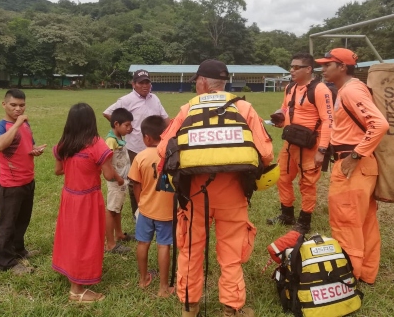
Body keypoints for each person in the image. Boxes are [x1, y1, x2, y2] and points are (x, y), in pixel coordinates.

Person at [158, 60, 274, 317]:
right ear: (224, 83)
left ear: (201, 82)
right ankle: (231, 309)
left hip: (194, 193)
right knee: (231, 253)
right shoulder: (244, 107)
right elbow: (266, 153)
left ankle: (190, 307)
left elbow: (162, 149)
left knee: (190, 249)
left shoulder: (188, 108)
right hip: (233, 192)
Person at [315, 48, 389, 285]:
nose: (323, 68)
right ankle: (366, 272)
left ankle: (347, 278)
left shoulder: (352, 91)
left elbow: (379, 124)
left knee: (346, 222)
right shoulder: (346, 89)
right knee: (364, 221)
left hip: (353, 165)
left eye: (328, 64)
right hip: (361, 166)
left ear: (342, 67)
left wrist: (355, 156)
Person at [52, 103, 123, 303]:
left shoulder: (64, 143)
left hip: (69, 197)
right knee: (85, 240)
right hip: (88, 199)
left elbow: (58, 170)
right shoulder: (97, 144)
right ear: (91, 121)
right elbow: (108, 174)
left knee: (71, 237)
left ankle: (70, 272)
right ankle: (77, 290)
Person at [267, 53, 333, 233]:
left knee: (307, 183)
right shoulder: (290, 87)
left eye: (296, 67)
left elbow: (328, 120)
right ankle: (287, 214)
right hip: (291, 142)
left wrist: (322, 149)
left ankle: (305, 221)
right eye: (291, 67)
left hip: (310, 145)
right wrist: (280, 117)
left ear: (309, 69)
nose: (292, 70)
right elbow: (286, 107)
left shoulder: (320, 90)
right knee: (282, 177)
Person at [0, 89, 46, 275]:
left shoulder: (25, 124)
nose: (18, 109)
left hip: (27, 180)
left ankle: (18, 250)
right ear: (4, 104)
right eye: (13, 105)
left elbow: (26, 146)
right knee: (7, 223)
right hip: (10, 184)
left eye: (21, 105)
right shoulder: (1, 127)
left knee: (22, 220)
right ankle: (4, 262)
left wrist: (35, 150)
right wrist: (17, 124)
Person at [103, 69, 171, 220]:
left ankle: (157, 209)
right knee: (135, 182)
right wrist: (126, 128)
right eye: (141, 83)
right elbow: (108, 112)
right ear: (133, 84)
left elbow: (165, 118)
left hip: (155, 147)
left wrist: (171, 134)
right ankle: (138, 213)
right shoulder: (126, 100)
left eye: (147, 82)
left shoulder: (155, 99)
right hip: (134, 148)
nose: (145, 85)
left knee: (156, 177)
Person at [127, 115, 173, 297]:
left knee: (142, 243)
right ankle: (163, 287)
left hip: (145, 209)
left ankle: (143, 279)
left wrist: (140, 204)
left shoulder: (140, 157)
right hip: (167, 211)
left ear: (146, 137)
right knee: (164, 246)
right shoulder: (170, 155)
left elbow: (135, 184)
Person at [104, 107, 134, 254]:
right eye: (126, 125)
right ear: (116, 124)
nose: (130, 128)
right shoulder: (111, 141)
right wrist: (118, 178)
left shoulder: (119, 138)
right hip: (117, 182)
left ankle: (120, 234)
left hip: (121, 181)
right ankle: (110, 243)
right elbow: (107, 163)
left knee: (118, 208)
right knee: (111, 210)